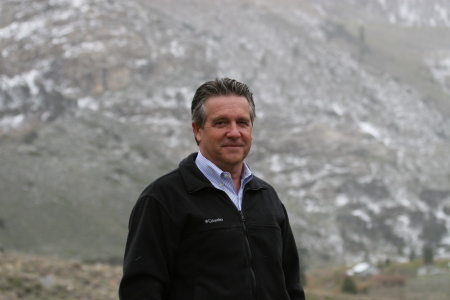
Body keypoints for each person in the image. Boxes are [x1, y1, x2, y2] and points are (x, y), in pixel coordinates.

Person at [119, 78, 305, 300]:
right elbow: (140, 289)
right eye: (221, 123)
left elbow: (291, 285)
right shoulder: (163, 198)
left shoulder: (268, 197)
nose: (234, 132)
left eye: (242, 122)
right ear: (198, 130)